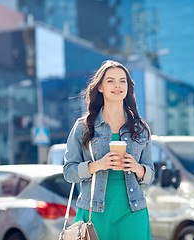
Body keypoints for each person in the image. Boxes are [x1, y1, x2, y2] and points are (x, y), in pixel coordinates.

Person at [63, 60, 154, 240]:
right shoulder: (83, 126)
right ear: (100, 87)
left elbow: (150, 175)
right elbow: (68, 172)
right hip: (93, 213)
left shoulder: (141, 127)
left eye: (122, 81)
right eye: (110, 81)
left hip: (132, 211)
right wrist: (96, 165)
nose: (117, 85)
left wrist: (137, 168)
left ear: (128, 86)